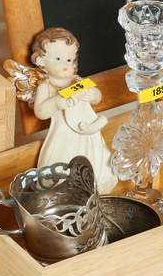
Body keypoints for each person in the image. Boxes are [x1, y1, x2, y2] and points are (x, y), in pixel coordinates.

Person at [27, 27, 117, 194]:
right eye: (58, 59)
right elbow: (40, 111)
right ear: (40, 61)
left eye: (68, 60)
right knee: (64, 161)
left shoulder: (78, 80)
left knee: (93, 158)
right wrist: (54, 103)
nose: (64, 65)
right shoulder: (46, 86)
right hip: (63, 134)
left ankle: (96, 189)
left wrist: (91, 94)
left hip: (88, 131)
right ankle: (65, 193)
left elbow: (98, 96)